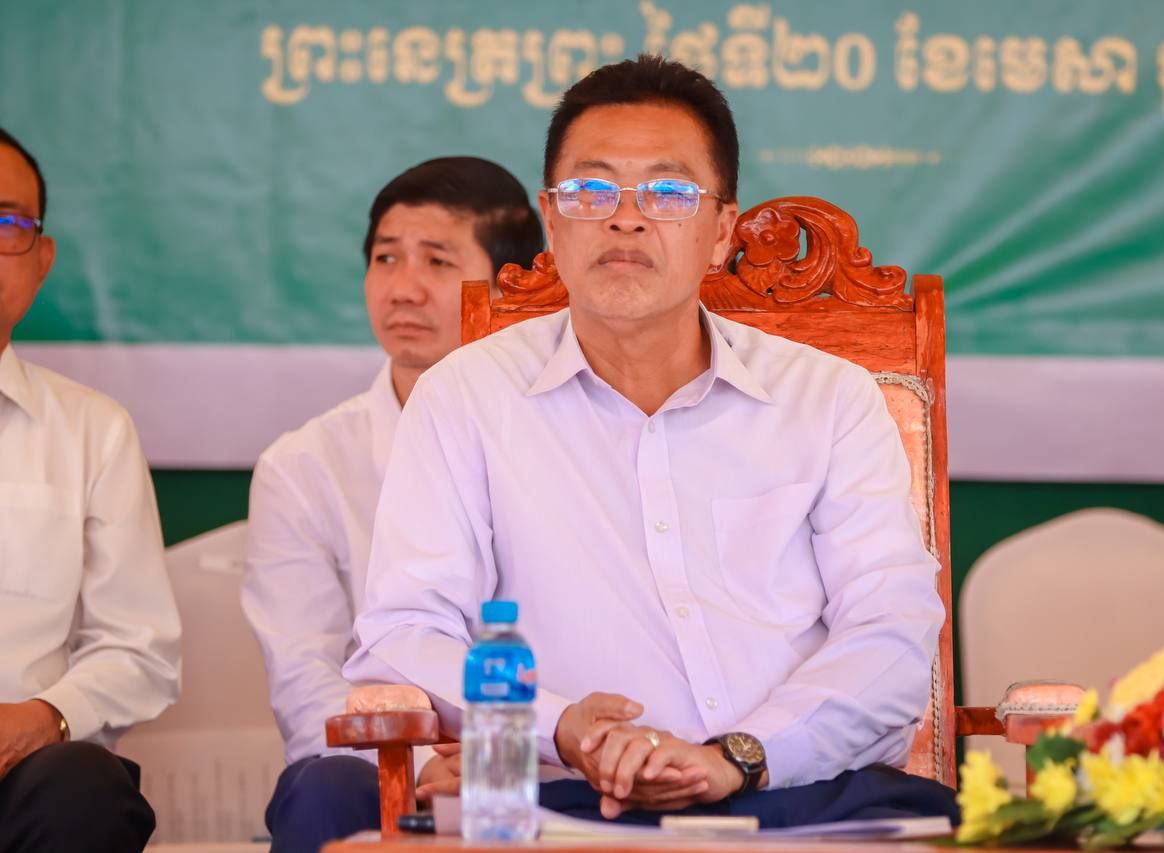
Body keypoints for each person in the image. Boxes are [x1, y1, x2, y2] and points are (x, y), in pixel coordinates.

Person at [345, 55, 956, 826]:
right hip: (567, 799)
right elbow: (404, 630)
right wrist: (559, 727)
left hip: (793, 795)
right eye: (591, 190)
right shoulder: (464, 397)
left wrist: (737, 755)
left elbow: (891, 631)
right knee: (323, 796)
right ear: (553, 220)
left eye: (668, 193)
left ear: (721, 231)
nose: (625, 218)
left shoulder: (829, 398)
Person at [241, 157, 543, 853]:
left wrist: (512, 749)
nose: (404, 288)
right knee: (323, 790)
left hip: (545, 751)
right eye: (385, 258)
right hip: (379, 767)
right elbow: (304, 679)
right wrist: (420, 760)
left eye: (438, 260)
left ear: (510, 285)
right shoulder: (305, 465)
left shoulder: (570, 436)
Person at [0, 126, 182, 852]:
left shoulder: (92, 430)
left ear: (41, 260)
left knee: (85, 786)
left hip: (18, 774)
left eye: (6, 223)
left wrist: (46, 715)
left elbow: (140, 648)